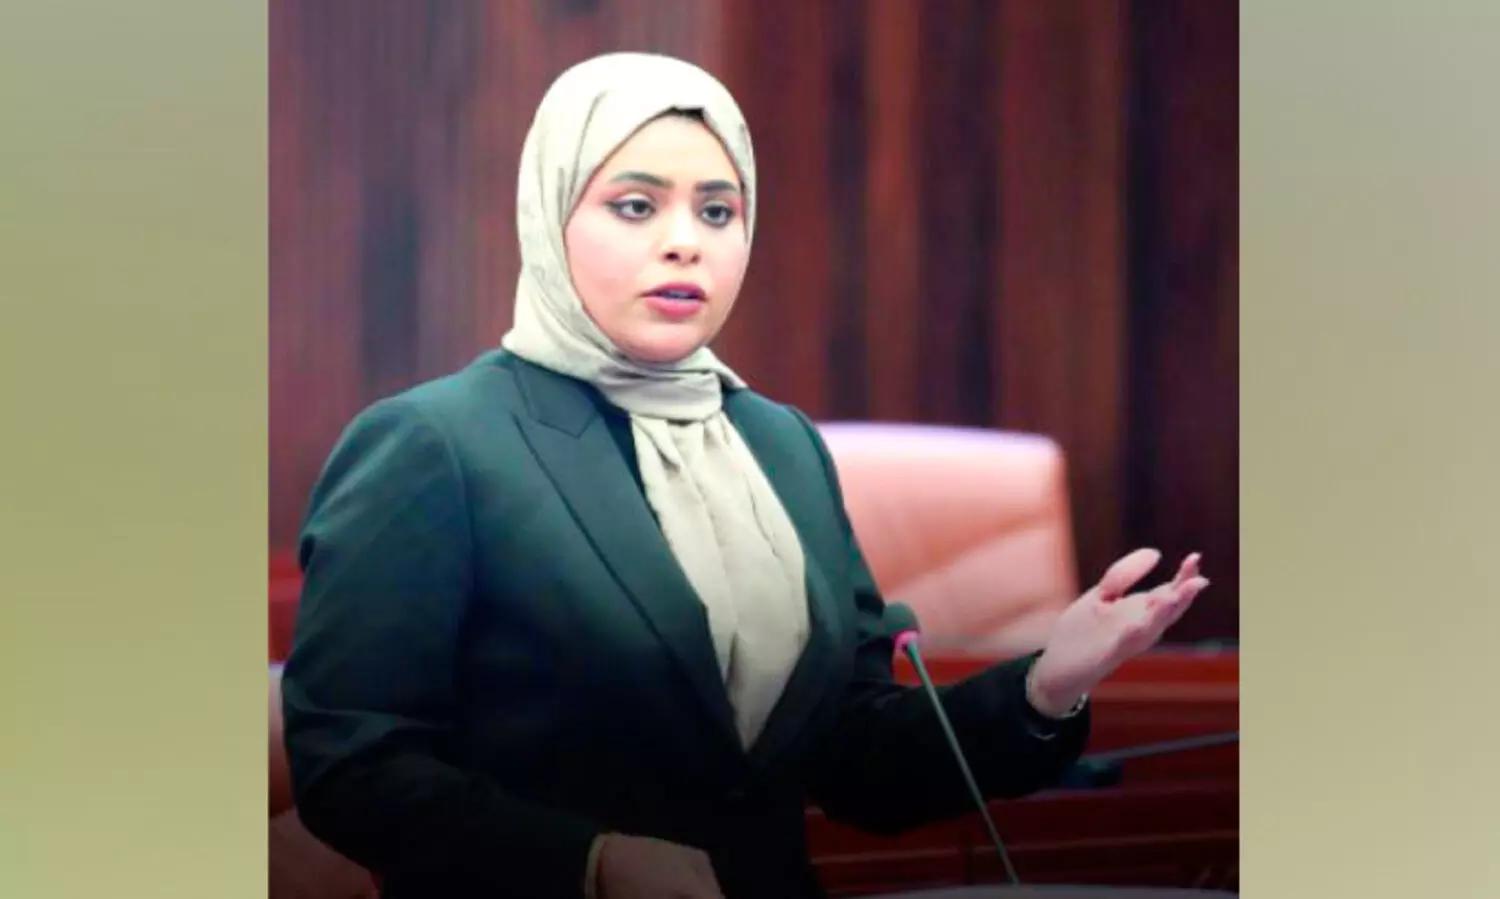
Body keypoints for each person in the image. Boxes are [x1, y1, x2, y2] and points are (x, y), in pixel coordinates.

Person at [280, 52, 1208, 899]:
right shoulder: (433, 444)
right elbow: (352, 761)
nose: (685, 241)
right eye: (636, 206)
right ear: (550, 213)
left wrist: (1048, 682)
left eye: (717, 211)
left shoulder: (777, 444)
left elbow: (856, 757)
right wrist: (591, 863)